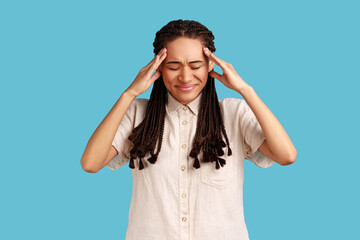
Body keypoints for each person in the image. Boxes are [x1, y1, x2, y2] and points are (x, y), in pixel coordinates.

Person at [81, 19, 297, 240]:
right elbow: (90, 163)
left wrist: (245, 89)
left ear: (210, 64)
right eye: (173, 67)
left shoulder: (234, 114)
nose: (185, 77)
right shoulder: (137, 114)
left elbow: (286, 155)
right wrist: (128, 94)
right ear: (158, 67)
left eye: (195, 66)